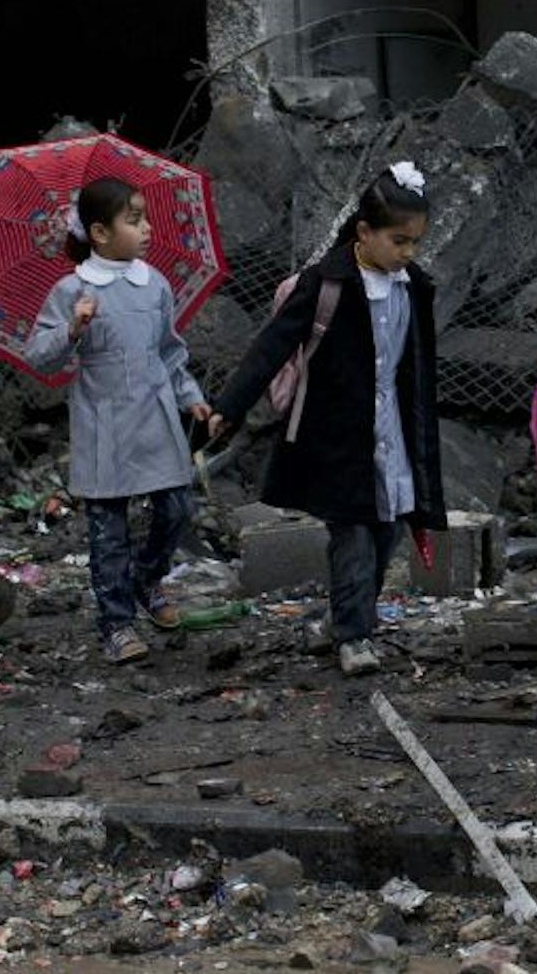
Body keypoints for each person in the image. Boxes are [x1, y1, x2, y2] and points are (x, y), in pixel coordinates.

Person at [209, 161, 446, 679]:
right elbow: (272, 345)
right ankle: (355, 636)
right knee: (354, 533)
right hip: (339, 437)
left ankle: (345, 616)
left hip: (393, 434)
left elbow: (416, 365)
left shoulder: (412, 287)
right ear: (364, 232)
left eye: (414, 243)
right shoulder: (326, 285)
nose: (408, 253)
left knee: (386, 533)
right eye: (398, 241)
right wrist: (230, 405)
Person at [25, 177, 212, 664]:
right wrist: (72, 328)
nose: (148, 229)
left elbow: (169, 350)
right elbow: (39, 356)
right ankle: (116, 623)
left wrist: (189, 396)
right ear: (100, 233)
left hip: (155, 416)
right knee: (108, 530)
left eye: (145, 217)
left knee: (176, 509)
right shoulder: (72, 290)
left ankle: (147, 579)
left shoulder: (155, 285)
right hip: (103, 421)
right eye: (135, 220)